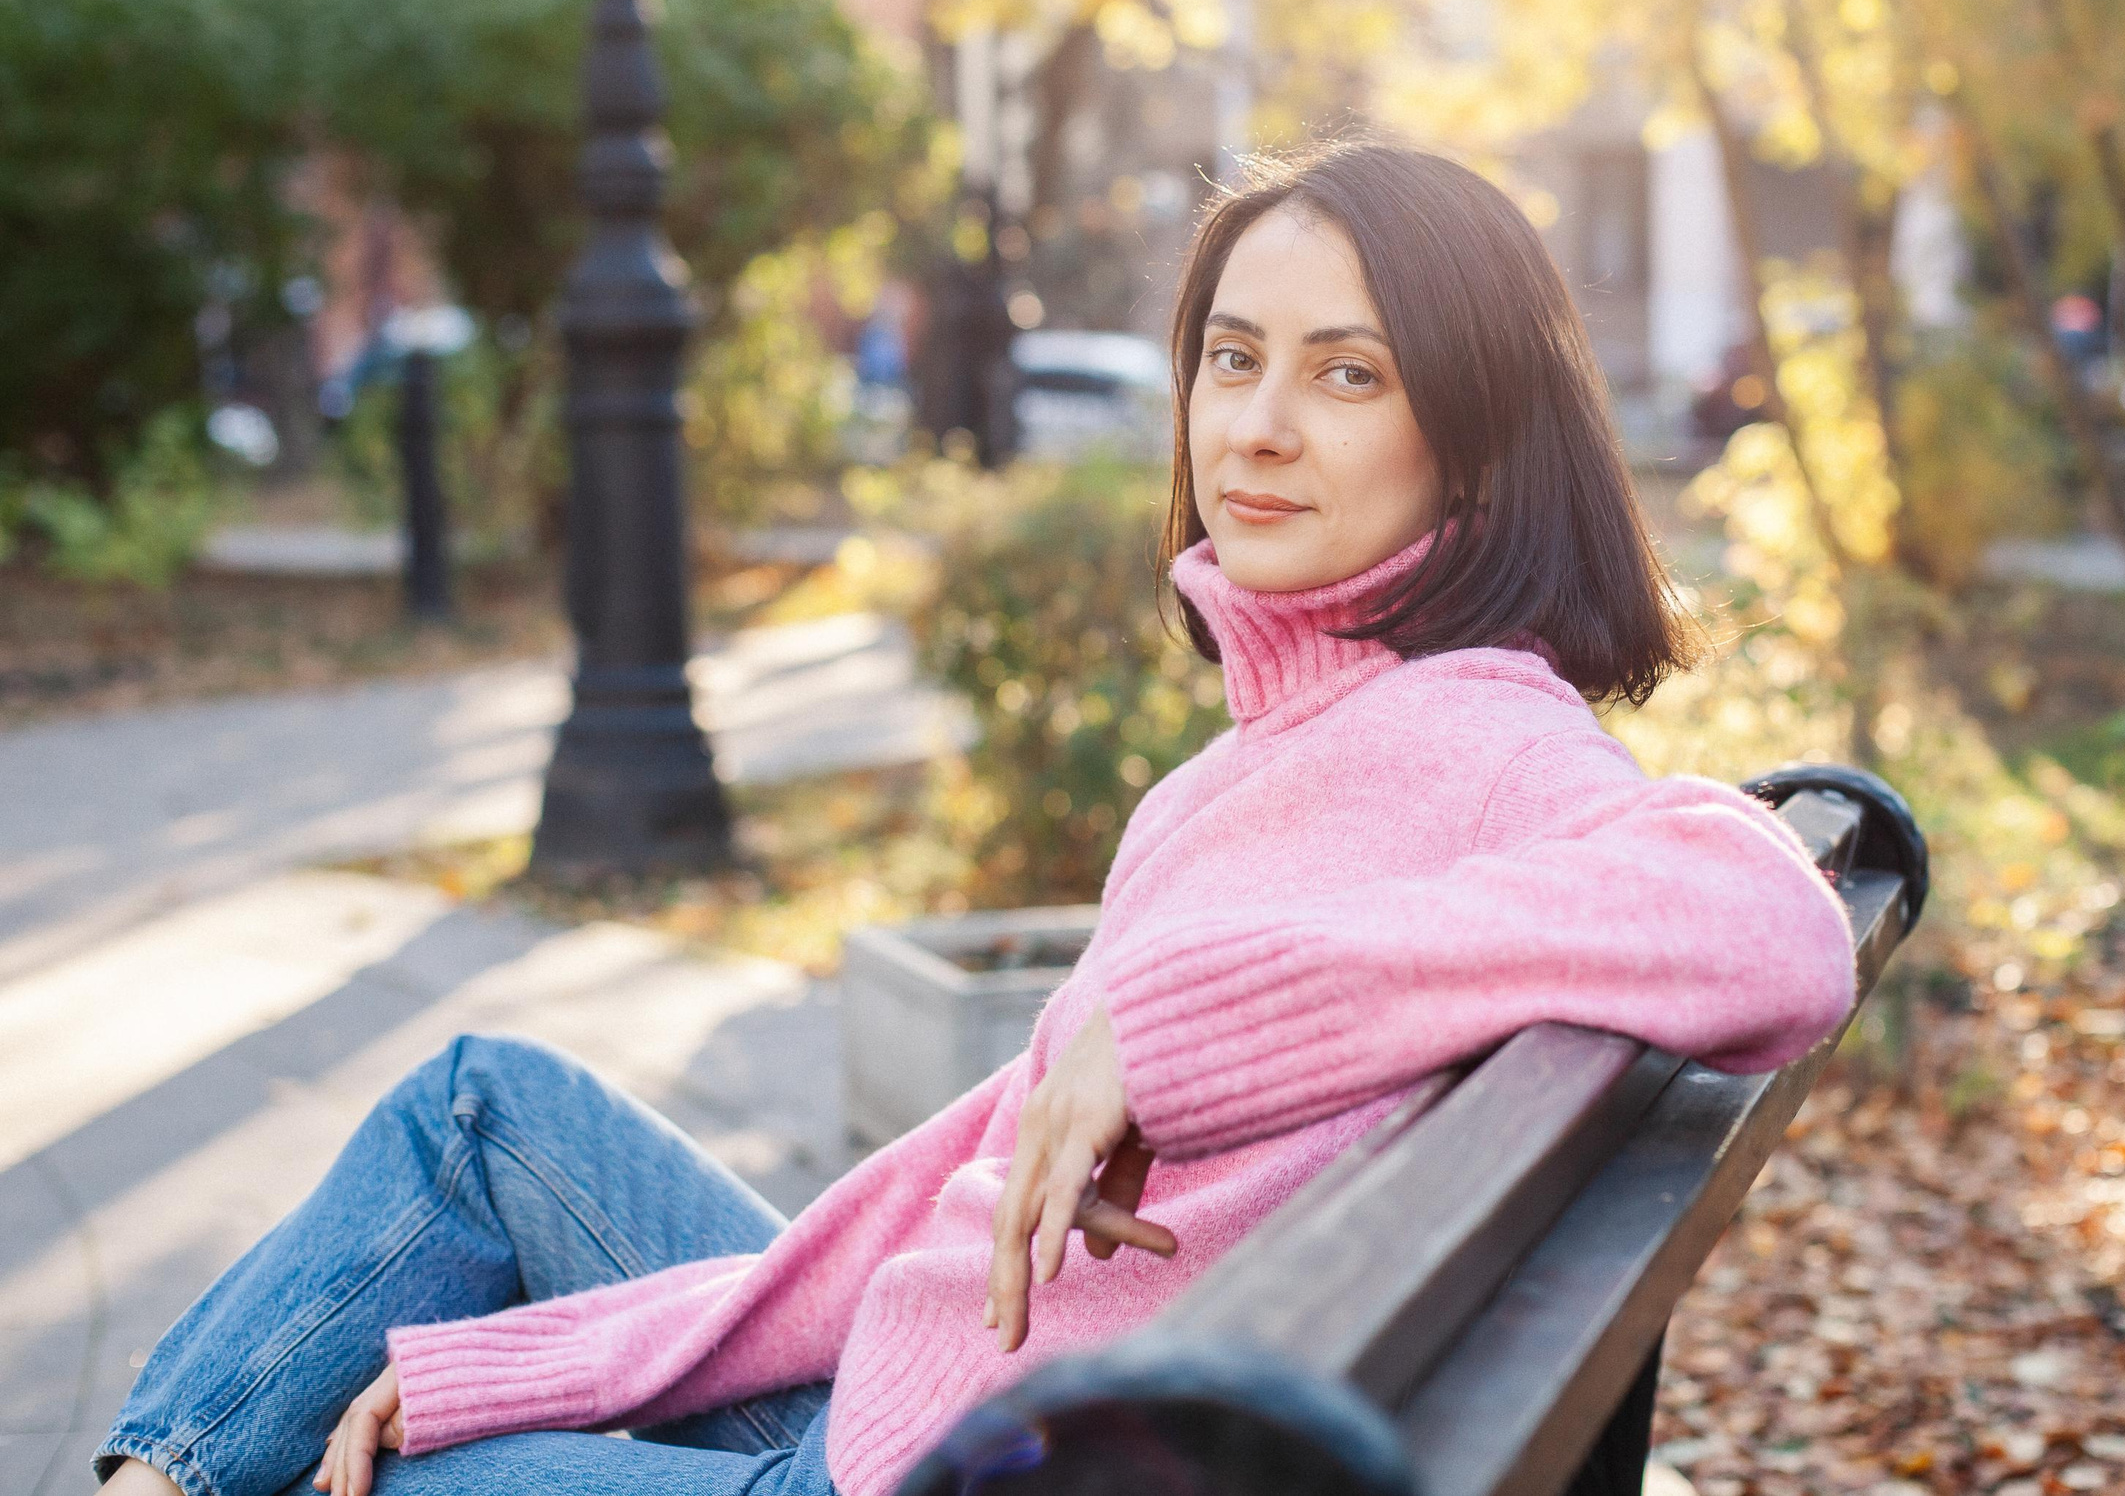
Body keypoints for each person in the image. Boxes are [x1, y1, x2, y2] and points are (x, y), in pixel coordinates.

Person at [94, 142, 1857, 1496]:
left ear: (1470, 441)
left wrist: (1177, 1035)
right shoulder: (1229, 780)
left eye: (1348, 374)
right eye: (1233, 356)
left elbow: (1769, 915)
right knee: (475, 1107)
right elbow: (921, 1218)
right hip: (924, 1392)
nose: (1254, 425)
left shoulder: (1480, 734)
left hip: (932, 1458)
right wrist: (525, 1366)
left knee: (365, 1458)